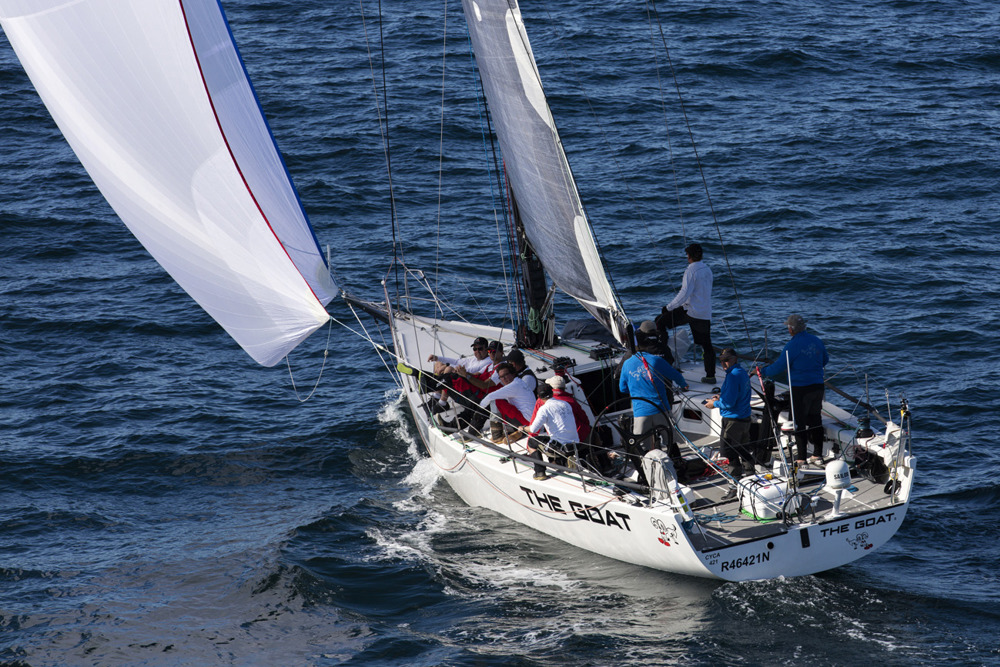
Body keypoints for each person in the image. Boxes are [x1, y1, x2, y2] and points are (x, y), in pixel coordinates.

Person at [618, 328, 689, 478]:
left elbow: (622, 388)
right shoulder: (656, 360)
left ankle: (648, 475)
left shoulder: (627, 364)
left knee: (640, 445)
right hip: (661, 409)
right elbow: (676, 375)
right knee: (670, 441)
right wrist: (683, 385)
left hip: (641, 413)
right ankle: (679, 470)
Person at [760, 314, 829, 465]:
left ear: (791, 329)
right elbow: (825, 359)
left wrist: (762, 371)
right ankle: (817, 455)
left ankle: (801, 458)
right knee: (816, 419)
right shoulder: (816, 340)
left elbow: (778, 366)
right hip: (818, 386)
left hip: (800, 389)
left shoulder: (791, 345)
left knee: (799, 423)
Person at [655, 242, 715, 383]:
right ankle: (710, 375)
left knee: (660, 322)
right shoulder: (708, 269)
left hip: (690, 311)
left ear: (690, 256)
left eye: (687, 254)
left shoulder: (691, 270)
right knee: (707, 345)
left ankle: (665, 360)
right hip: (704, 312)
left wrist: (668, 308)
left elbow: (684, 293)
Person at [705, 348, 753, 496]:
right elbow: (735, 395)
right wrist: (721, 397)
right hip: (744, 419)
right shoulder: (741, 372)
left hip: (733, 421)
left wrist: (714, 404)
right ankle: (751, 478)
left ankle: (734, 486)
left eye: (727, 360)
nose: (724, 363)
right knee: (744, 450)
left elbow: (730, 403)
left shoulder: (732, 376)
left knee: (730, 454)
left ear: (735, 358)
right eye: (721, 361)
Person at [518, 381, 578, 481]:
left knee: (532, 442)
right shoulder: (565, 404)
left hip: (559, 445)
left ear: (538, 396)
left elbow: (533, 429)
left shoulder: (544, 409)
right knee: (553, 439)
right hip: (575, 443)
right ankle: (565, 462)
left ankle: (540, 472)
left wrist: (523, 428)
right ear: (552, 393)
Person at [478, 362, 535, 431]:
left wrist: (480, 408)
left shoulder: (514, 385)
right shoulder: (519, 382)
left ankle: (497, 432)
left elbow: (490, 396)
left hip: (528, 422)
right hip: (532, 421)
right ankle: (509, 428)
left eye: (506, 375)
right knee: (499, 399)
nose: (504, 378)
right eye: (501, 377)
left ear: (513, 373)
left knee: (498, 401)